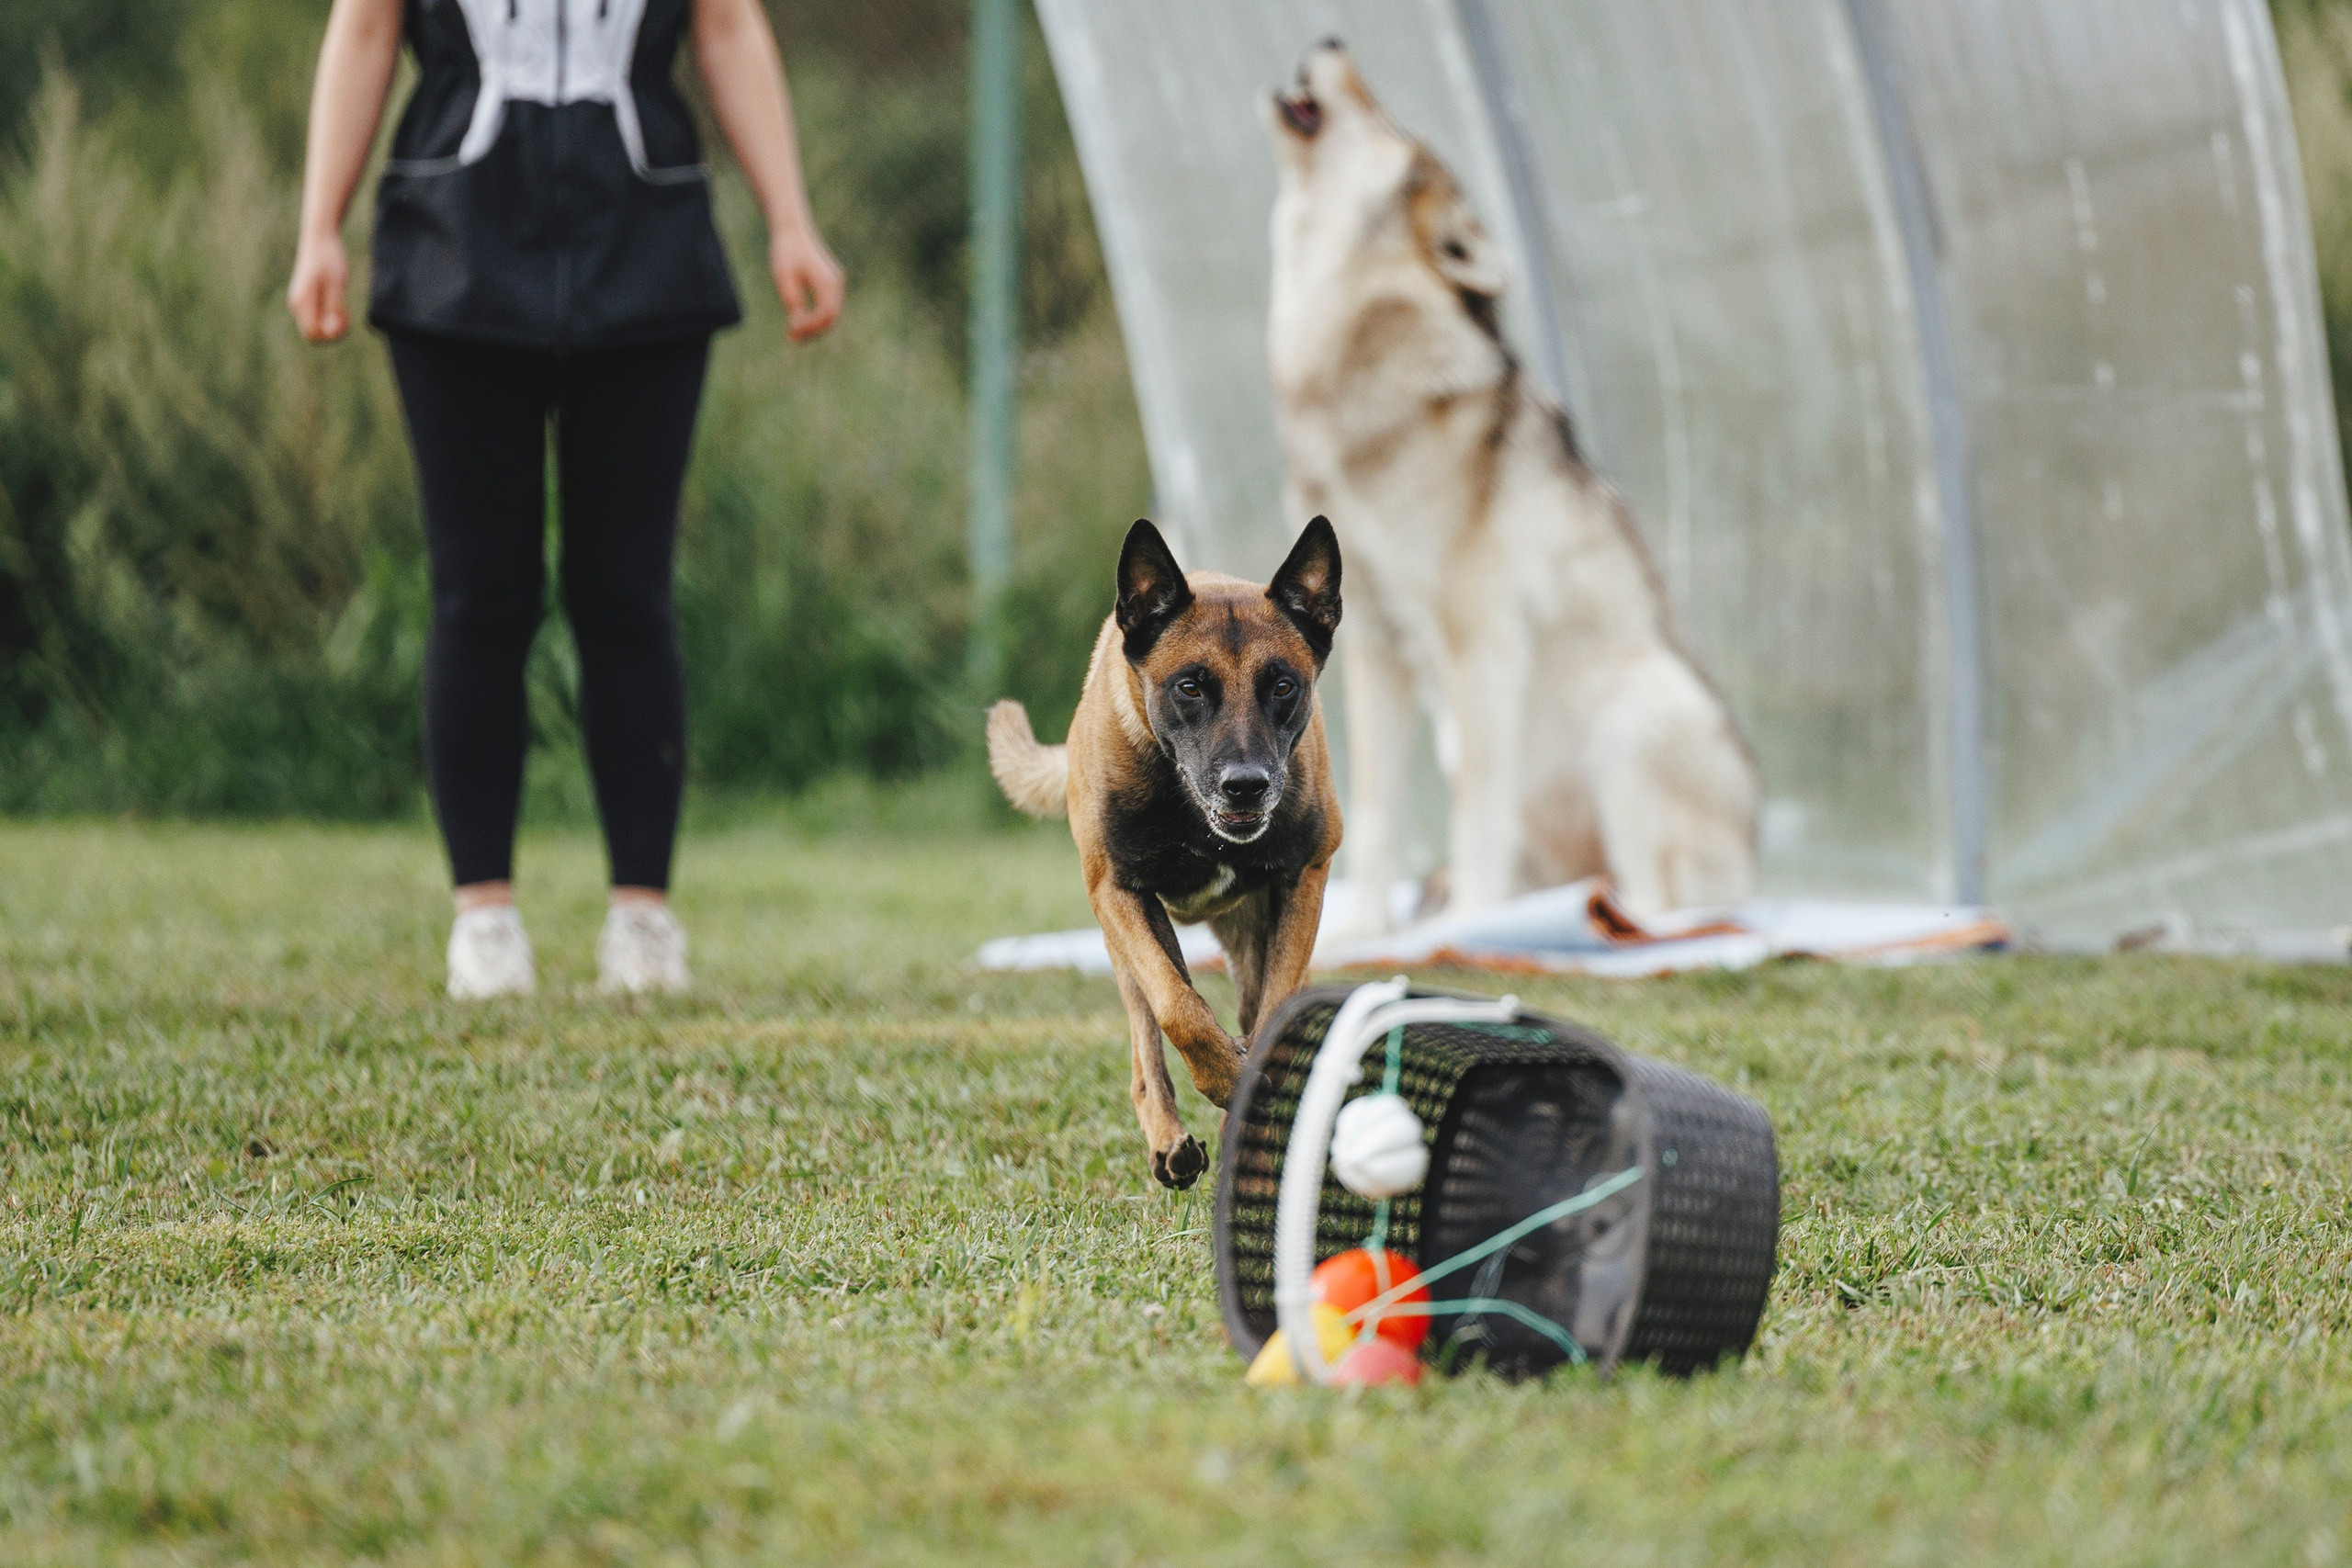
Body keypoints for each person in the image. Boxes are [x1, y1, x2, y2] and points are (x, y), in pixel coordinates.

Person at [288, 0, 842, 998]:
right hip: (450, 259)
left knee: (626, 596)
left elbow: (726, 28)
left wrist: (791, 222)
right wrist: (318, 226)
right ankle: (484, 922)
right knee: (479, 594)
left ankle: (642, 919)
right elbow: (365, 29)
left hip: (646, 256)